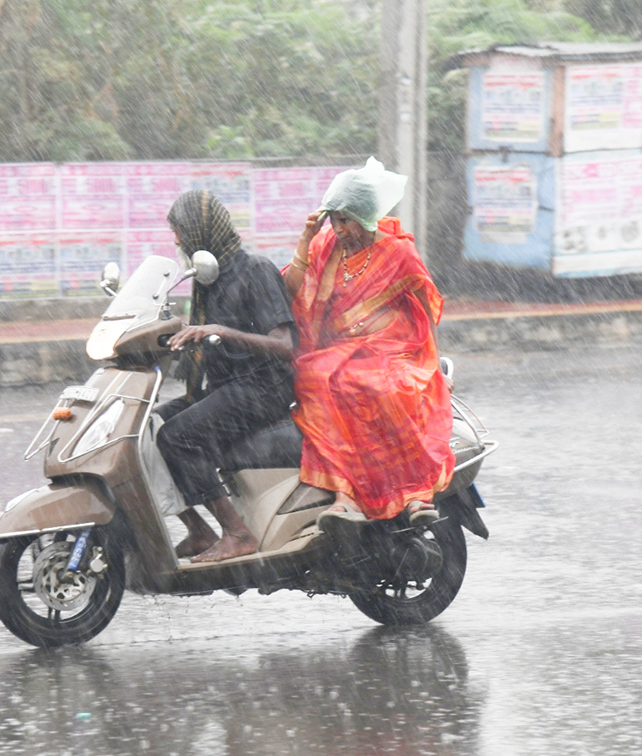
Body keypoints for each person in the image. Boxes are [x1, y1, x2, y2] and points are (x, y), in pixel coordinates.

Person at [282, 157, 455, 529]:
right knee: (314, 378)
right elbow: (291, 290)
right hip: (337, 348)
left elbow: (427, 305)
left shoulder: (399, 252)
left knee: (384, 389)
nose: (340, 228)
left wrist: (435, 364)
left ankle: (413, 494)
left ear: (366, 215)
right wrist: (304, 241)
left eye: (348, 220)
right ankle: (344, 494)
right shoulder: (325, 244)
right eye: (335, 219)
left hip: (392, 347)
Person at [155, 189, 297, 562]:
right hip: (227, 387)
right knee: (150, 427)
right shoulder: (207, 279)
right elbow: (207, 337)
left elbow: (284, 345)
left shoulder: (256, 271)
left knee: (179, 435)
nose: (176, 240)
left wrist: (220, 331)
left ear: (203, 231)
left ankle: (237, 533)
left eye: (181, 232)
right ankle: (198, 530)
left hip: (264, 387)